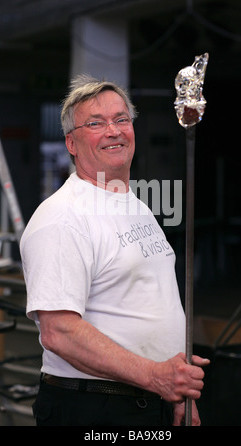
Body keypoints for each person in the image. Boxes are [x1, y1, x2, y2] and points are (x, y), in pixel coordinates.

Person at [20, 74, 209, 427]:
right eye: (96, 123)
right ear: (71, 144)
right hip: (94, 408)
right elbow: (59, 331)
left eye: (121, 119)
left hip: (152, 400)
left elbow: (152, 303)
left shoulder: (134, 204)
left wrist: (177, 392)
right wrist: (156, 376)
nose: (114, 130)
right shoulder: (63, 217)